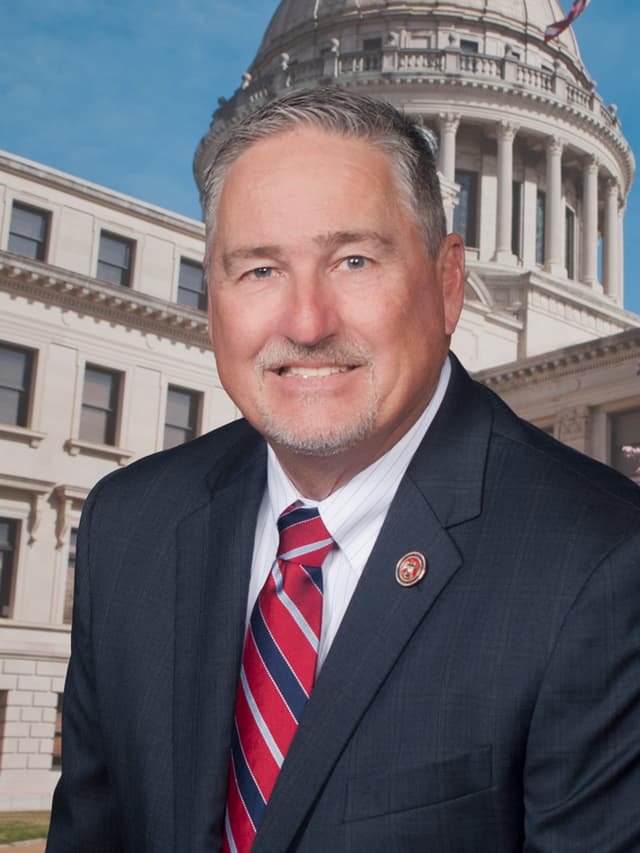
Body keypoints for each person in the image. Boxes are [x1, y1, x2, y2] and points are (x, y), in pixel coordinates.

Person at [47, 88, 640, 853]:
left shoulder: (603, 565)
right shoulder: (127, 525)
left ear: (449, 282)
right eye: (259, 270)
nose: (306, 322)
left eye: (354, 260)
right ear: (213, 298)